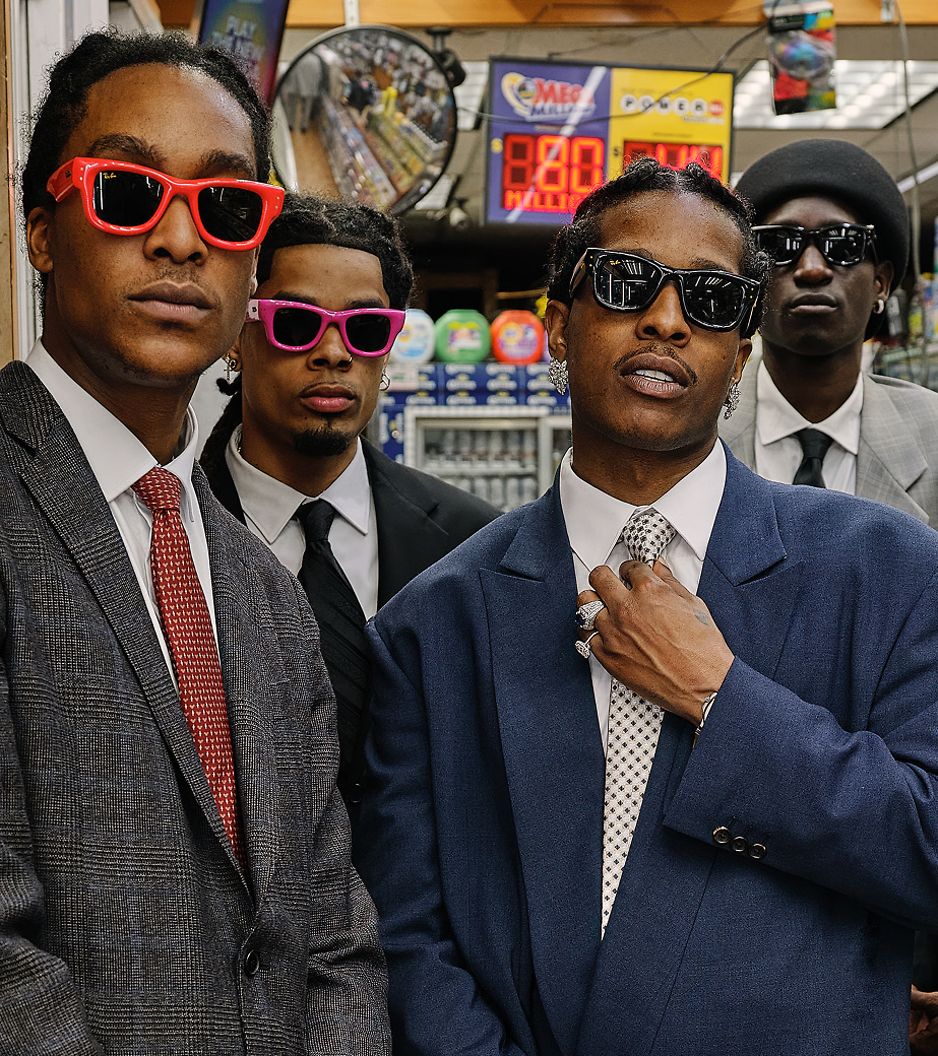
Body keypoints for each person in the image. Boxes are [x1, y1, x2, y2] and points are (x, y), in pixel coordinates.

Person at [355, 158, 938, 1056]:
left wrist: (721, 698)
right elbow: (405, 932)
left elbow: (925, 850)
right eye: (628, 282)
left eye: (710, 299)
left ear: (739, 355)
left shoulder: (888, 571)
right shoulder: (433, 625)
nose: (667, 320)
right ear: (559, 325)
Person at [2, 30, 388, 1055]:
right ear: (42, 232)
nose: (181, 240)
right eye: (129, 193)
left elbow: (333, 935)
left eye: (223, 206)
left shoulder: (263, 586)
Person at [200, 192, 496, 818]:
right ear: (236, 335)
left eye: (364, 330)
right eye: (295, 322)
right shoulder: (167, 530)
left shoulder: (473, 544)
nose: (334, 353)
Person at [723, 138, 938, 523]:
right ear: (750, 284)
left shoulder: (932, 436)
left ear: (881, 284)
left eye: (843, 244)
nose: (812, 269)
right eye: (779, 245)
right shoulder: (695, 429)